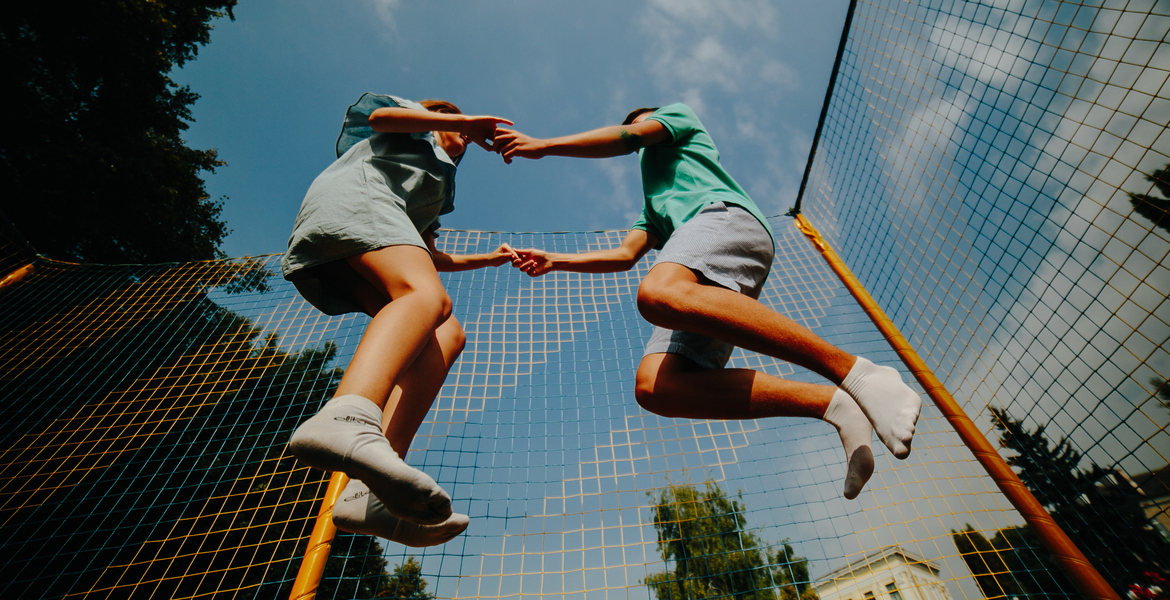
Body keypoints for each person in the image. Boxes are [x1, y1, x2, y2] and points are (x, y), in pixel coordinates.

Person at [493, 104, 921, 499]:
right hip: (700, 258)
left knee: (660, 292)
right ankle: (836, 404)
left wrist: (544, 145)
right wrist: (556, 260)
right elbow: (624, 256)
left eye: (642, 122)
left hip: (724, 220)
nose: (639, 131)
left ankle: (858, 373)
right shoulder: (654, 205)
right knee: (658, 386)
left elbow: (630, 138)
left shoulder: (678, 119)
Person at [282, 93, 517, 546]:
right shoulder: (413, 127)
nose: (464, 141)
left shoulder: (440, 186)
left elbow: (426, 252)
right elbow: (379, 117)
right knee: (424, 296)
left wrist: (489, 258)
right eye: (458, 130)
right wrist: (466, 118)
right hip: (354, 205)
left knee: (446, 333)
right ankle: (347, 415)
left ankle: (366, 491)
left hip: (363, 234)